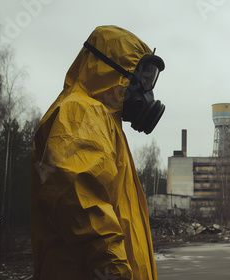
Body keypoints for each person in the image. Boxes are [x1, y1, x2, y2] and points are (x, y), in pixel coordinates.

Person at [30, 25, 165, 280]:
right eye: (141, 79)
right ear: (114, 71)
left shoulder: (104, 122)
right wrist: (115, 273)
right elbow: (84, 209)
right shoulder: (80, 114)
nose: (146, 91)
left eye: (150, 80)